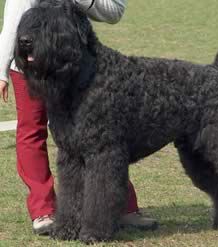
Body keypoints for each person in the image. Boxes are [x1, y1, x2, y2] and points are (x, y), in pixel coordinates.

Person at [0, 0, 157, 235]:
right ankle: (44, 210)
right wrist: (1, 69)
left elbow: (114, 12)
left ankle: (123, 207)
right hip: (31, 65)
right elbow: (14, 18)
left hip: (70, 60)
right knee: (32, 131)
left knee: (101, 140)